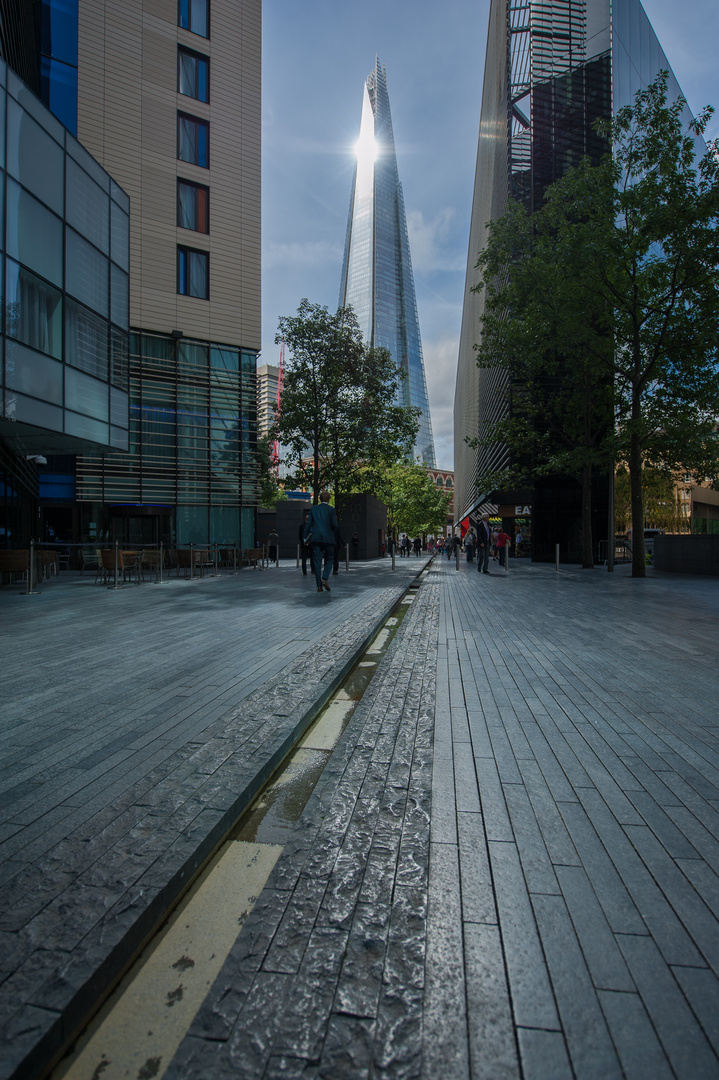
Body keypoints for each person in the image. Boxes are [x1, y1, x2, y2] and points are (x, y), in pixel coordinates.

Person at [304, 491, 339, 593]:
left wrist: (305, 538)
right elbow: (335, 525)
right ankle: (325, 579)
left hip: (316, 538)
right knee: (329, 558)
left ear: (320, 499)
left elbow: (308, 524)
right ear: (329, 499)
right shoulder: (331, 510)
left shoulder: (314, 509)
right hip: (328, 538)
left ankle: (319, 586)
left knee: (317, 561)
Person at [298, 511, 311, 575]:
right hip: (311, 544)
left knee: (304, 558)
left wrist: (303, 542)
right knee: (313, 557)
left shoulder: (301, 526)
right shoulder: (312, 526)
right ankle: (313, 569)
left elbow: (300, 536)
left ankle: (304, 571)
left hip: (303, 544)